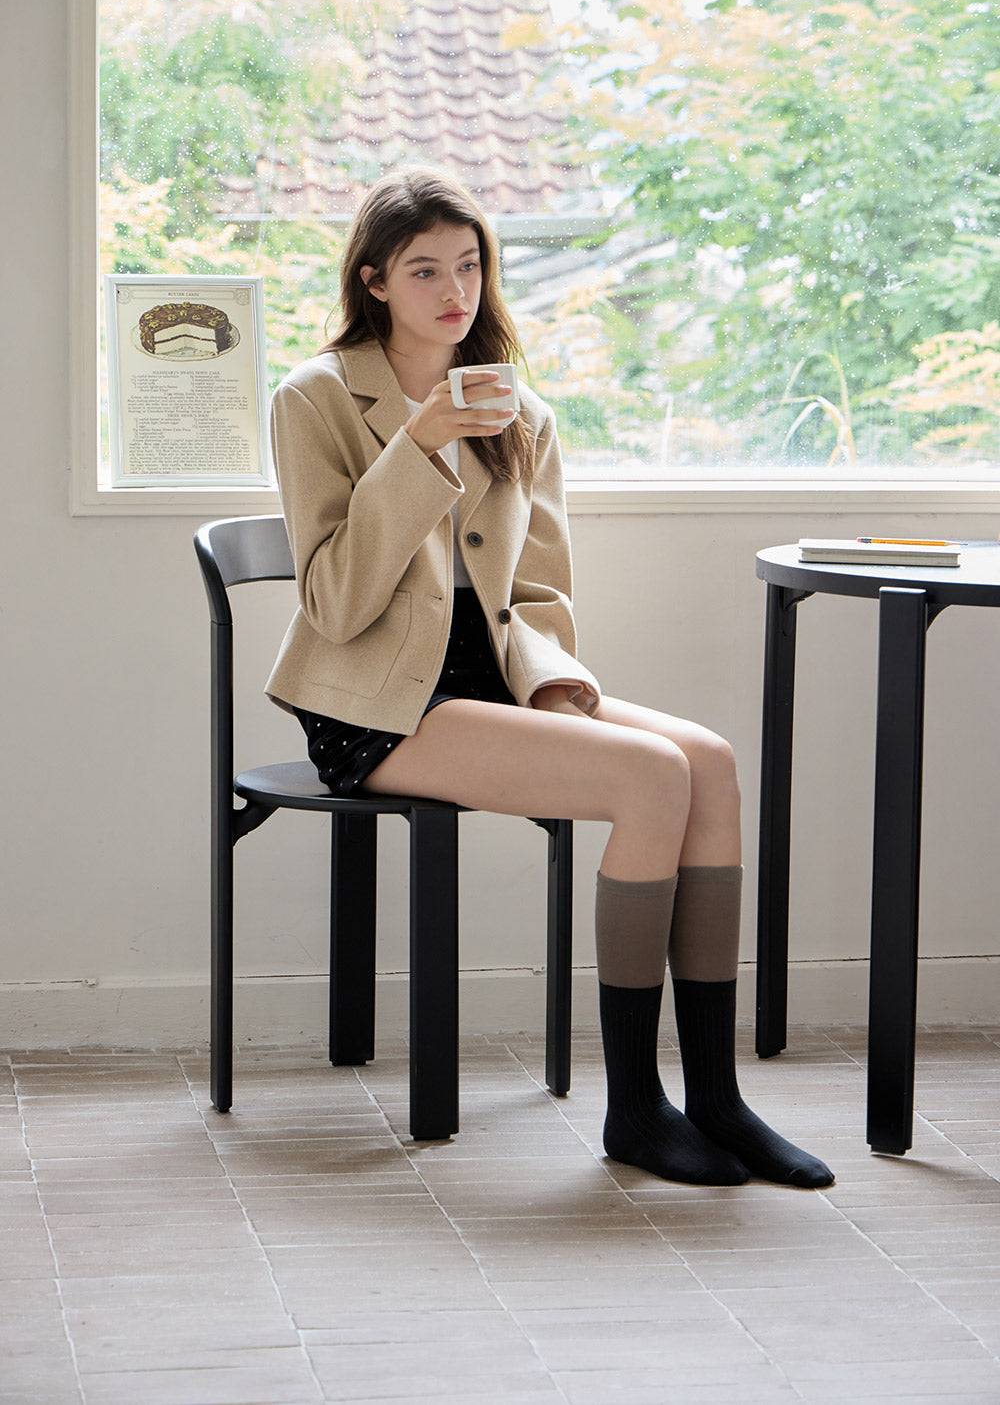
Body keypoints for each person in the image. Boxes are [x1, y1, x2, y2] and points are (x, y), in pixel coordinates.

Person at [265, 165, 834, 1190]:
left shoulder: (516, 407)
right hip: (376, 709)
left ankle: (713, 1096)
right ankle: (633, 1108)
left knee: (704, 758)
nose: (455, 288)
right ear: (374, 279)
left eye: (471, 263)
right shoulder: (315, 398)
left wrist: (556, 687)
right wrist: (417, 443)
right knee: (649, 776)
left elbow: (537, 591)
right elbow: (334, 603)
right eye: (425, 268)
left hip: (493, 687)